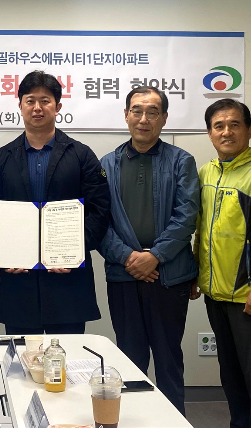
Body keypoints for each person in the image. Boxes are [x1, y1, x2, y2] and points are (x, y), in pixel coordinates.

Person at [0, 70, 110, 335]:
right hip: (18, 278)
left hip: (68, 280)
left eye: (45, 101)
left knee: (66, 356)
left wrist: (74, 252)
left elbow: (99, 210)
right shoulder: (3, 157)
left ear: (58, 107)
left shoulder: (81, 155)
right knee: (21, 355)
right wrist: (5, 252)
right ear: (20, 106)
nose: (37, 108)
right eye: (30, 101)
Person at [98, 86, 198, 415]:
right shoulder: (106, 164)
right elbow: (98, 221)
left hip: (169, 277)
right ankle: (134, 419)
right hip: (123, 276)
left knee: (169, 360)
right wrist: (128, 257)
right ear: (126, 115)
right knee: (129, 359)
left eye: (152, 112)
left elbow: (187, 216)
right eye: (137, 111)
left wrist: (154, 256)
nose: (144, 118)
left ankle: (173, 420)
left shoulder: (181, 161)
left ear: (164, 118)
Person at [193, 99, 251, 428]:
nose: (226, 132)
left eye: (234, 124)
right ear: (210, 133)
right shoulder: (206, 172)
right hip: (215, 294)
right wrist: (196, 274)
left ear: (249, 130)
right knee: (231, 375)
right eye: (219, 126)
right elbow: (201, 230)